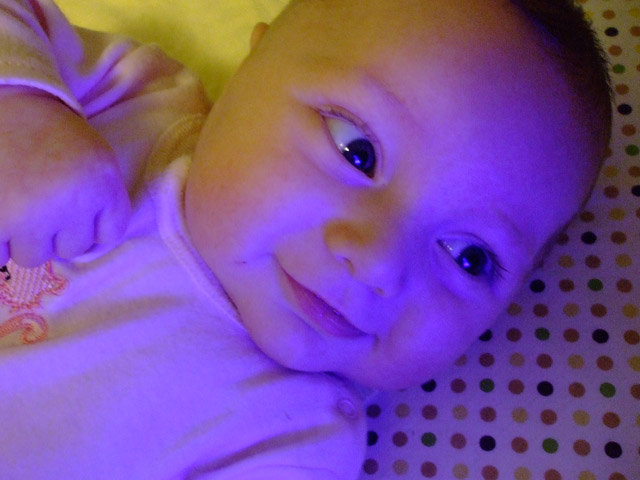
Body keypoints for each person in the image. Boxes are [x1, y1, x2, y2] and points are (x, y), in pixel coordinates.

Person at [0, 0, 611, 478]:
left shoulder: (291, 444)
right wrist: (22, 109)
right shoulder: (135, 100)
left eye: (468, 256)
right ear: (252, 65)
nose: (377, 262)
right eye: (357, 150)